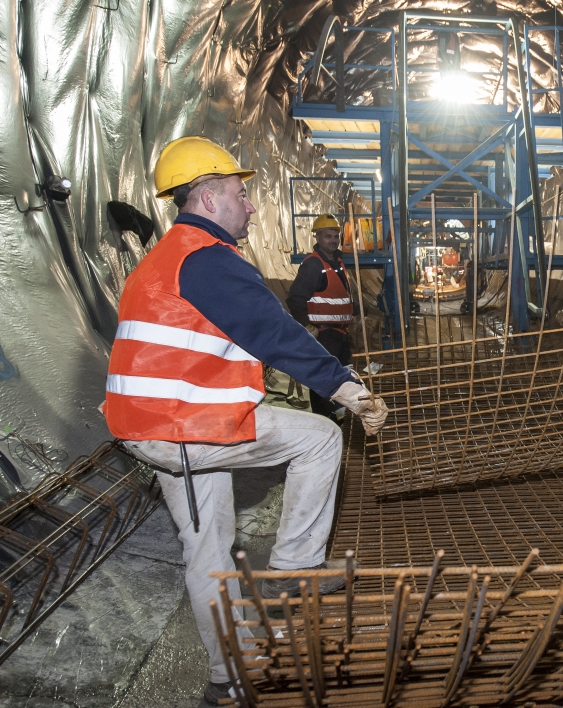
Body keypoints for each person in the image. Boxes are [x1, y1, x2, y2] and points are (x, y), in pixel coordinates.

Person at [102, 136, 389, 706]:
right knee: (321, 438)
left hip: (150, 427)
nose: (252, 205)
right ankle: (292, 576)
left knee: (208, 551)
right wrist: (347, 389)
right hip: (184, 424)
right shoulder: (208, 260)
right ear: (208, 199)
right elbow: (274, 332)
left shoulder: (164, 257)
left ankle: (229, 677)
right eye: (241, 193)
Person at [286, 214, 354, 421]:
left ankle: (338, 414)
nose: (333, 240)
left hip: (340, 333)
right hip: (324, 334)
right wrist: (307, 325)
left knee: (341, 376)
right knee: (322, 379)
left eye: (335, 236)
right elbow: (295, 298)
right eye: (327, 236)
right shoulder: (314, 265)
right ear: (317, 237)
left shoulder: (338, 262)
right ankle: (325, 419)